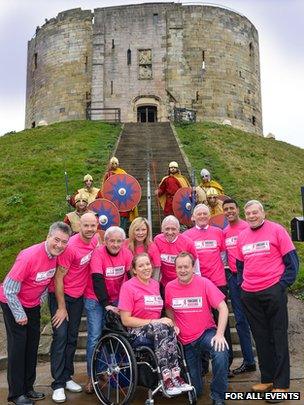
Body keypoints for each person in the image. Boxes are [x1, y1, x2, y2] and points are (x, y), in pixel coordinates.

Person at [0, 222, 71, 405]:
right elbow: (8, 289)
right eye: (56, 240)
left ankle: (28, 388)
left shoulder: (56, 256)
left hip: (31, 305)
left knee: (32, 347)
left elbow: (44, 282)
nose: (60, 245)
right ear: (48, 237)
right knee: (18, 348)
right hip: (13, 303)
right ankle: (16, 394)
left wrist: (36, 305)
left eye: (64, 242)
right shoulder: (29, 256)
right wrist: (19, 314)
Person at [236, 200, 299, 401]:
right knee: (261, 338)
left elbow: (292, 263)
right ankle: (268, 378)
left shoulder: (277, 230)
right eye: (248, 213)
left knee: (278, 336)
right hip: (250, 294)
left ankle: (282, 384)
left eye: (255, 212)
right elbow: (239, 266)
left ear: (263, 213)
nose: (252, 216)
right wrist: (242, 285)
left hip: (273, 291)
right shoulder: (242, 236)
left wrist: (281, 286)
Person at [119, 253, 192, 395]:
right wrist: (156, 322)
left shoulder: (155, 284)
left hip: (156, 329)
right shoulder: (128, 287)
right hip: (136, 332)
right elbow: (125, 320)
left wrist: (172, 324)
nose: (145, 268)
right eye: (141, 265)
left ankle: (176, 376)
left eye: (147, 264)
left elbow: (160, 315)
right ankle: (166, 378)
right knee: (163, 329)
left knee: (168, 328)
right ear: (134, 270)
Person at [165, 252, 229, 405]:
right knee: (196, 392)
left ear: (193, 267)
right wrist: (173, 324)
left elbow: (223, 308)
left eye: (186, 266)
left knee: (220, 351)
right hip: (186, 343)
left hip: (205, 334)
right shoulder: (170, 287)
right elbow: (169, 309)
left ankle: (218, 396)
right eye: (179, 267)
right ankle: (198, 380)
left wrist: (220, 334)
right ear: (175, 269)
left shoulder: (204, 283)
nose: (183, 270)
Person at [48, 212, 98, 403]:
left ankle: (67, 376)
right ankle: (58, 384)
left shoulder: (95, 241)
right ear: (79, 226)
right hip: (61, 296)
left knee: (71, 337)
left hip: (78, 297)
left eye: (93, 226)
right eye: (86, 226)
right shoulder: (70, 247)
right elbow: (58, 278)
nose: (90, 229)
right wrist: (61, 307)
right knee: (60, 337)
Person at [183, 204, 233, 374]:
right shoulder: (187, 236)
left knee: (222, 324)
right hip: (197, 286)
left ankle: (226, 364)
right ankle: (203, 365)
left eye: (205, 213)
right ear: (193, 217)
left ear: (210, 215)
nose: (202, 216)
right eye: (199, 214)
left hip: (218, 283)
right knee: (201, 324)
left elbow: (224, 256)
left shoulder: (218, 232)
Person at [83, 226, 133, 394]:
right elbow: (97, 280)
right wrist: (106, 305)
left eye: (119, 241)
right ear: (105, 241)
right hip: (96, 298)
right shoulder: (98, 254)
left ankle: (112, 370)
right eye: (112, 240)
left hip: (116, 296)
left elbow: (131, 277)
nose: (115, 244)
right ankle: (92, 377)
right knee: (95, 336)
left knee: (119, 333)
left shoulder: (126, 253)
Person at [222, 198, 256, 375]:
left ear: (237, 210)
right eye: (226, 209)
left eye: (232, 208)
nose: (229, 211)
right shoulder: (225, 231)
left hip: (250, 278)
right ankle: (249, 360)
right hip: (234, 278)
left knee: (255, 319)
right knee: (241, 321)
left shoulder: (246, 227)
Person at [154, 215, 198, 293]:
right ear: (162, 230)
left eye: (173, 229)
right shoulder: (157, 240)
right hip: (165, 284)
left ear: (178, 230)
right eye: (167, 229)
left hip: (183, 282)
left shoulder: (188, 242)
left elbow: (196, 263)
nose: (170, 232)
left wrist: (197, 282)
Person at [98, 156, 138, 231]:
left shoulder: (122, 172)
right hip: (112, 201)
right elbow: (105, 187)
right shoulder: (108, 174)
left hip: (123, 201)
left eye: (115, 163)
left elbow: (128, 185)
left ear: (118, 164)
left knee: (122, 224)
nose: (114, 165)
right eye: (112, 163)